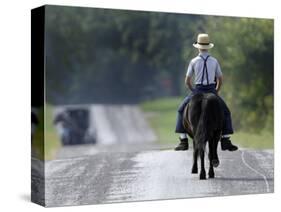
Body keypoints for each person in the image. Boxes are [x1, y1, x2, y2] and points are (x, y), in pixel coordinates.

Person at [174, 33, 238, 152]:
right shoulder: (214, 61)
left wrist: (193, 91)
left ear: (198, 47)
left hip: (197, 90)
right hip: (211, 90)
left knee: (181, 110)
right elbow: (220, 79)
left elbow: (187, 81)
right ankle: (225, 139)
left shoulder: (193, 61)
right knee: (226, 112)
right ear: (208, 47)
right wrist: (216, 91)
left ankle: (183, 141)